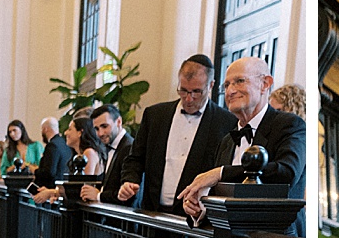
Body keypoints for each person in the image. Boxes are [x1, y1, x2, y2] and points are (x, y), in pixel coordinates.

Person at [181, 56, 307, 227]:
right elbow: (220, 200)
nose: (230, 91)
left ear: (265, 83)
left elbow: (286, 174)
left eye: (239, 81)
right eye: (226, 85)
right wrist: (200, 209)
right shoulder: (227, 140)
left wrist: (220, 173)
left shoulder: (289, 125)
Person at [119, 56, 233, 215]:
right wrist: (130, 181)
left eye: (196, 92)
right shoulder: (155, 115)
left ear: (211, 85)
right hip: (152, 212)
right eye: (183, 90)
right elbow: (135, 158)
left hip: (194, 218)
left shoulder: (226, 122)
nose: (188, 98)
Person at [80, 105, 133, 204]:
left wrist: (99, 195)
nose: (100, 133)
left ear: (118, 122)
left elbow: (129, 195)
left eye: (104, 126)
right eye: (96, 129)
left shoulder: (129, 148)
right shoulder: (111, 146)